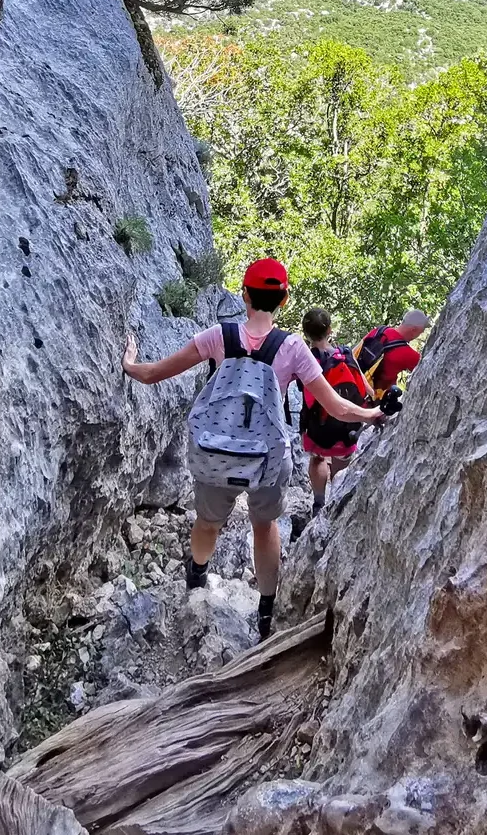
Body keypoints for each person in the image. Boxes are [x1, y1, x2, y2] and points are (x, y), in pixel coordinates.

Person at [122, 258, 385, 639]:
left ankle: (197, 575)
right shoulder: (293, 348)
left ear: (244, 294)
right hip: (266, 458)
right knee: (264, 527)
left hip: (216, 452)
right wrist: (372, 413)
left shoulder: (218, 336)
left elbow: (153, 374)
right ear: (285, 299)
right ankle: (265, 610)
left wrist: (130, 363)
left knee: (209, 521)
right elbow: (334, 406)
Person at [298, 307, 372, 521]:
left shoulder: (306, 359)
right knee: (341, 462)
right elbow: (365, 390)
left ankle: (319, 501)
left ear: (306, 333)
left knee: (318, 458)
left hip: (316, 425)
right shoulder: (346, 354)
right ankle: (336, 500)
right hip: (346, 424)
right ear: (330, 330)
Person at [355, 309, 431, 399]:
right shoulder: (409, 355)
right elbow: (428, 373)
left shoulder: (379, 331)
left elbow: (354, 352)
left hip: (353, 381)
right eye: (420, 332)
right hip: (374, 399)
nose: (419, 335)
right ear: (413, 330)